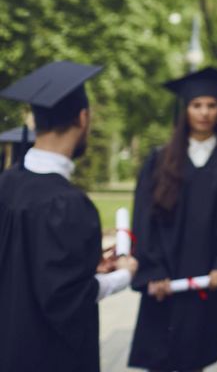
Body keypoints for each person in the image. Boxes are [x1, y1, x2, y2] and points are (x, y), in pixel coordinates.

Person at [0, 61, 138, 372]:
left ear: (36, 120)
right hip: (47, 357)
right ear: (83, 117)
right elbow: (69, 298)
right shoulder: (68, 204)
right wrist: (123, 275)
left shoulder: (6, 183)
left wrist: (87, 264)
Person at [128, 67, 217, 371]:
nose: (204, 113)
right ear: (184, 110)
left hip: (206, 277)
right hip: (165, 278)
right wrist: (153, 268)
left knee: (195, 357)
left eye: (211, 105)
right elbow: (144, 219)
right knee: (159, 355)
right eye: (197, 105)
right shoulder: (161, 158)